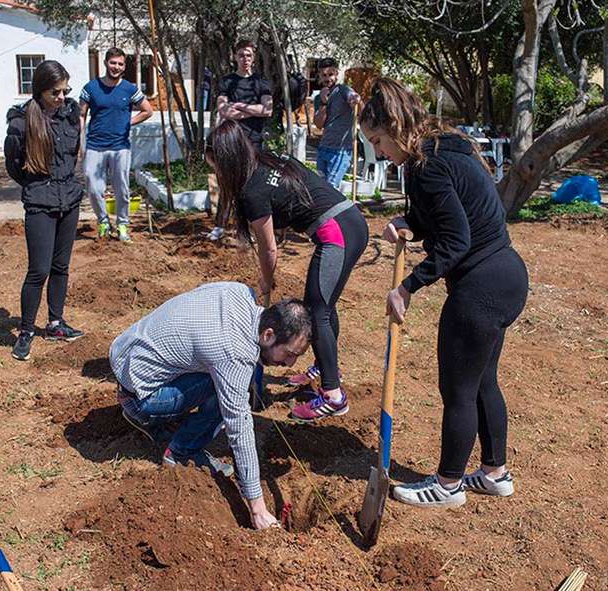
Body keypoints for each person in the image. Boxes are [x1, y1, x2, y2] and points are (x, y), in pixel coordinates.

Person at [358, 78, 529, 508]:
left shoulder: (428, 165)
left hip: (481, 286)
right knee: (481, 379)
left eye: (378, 141)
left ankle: (448, 484)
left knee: (457, 388)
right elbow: (446, 214)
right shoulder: (440, 147)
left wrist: (407, 287)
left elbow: (456, 240)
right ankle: (494, 473)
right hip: (506, 275)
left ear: (395, 127)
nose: (378, 152)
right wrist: (410, 220)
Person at [110, 282, 311, 530]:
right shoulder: (233, 354)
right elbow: (239, 426)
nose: (290, 364)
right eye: (289, 353)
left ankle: (159, 417)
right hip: (141, 394)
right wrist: (257, 509)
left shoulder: (238, 292)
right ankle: (180, 452)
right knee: (230, 389)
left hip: (126, 356)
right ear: (267, 335)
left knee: (227, 381)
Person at [205, 120, 369, 422]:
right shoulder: (266, 160)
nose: (216, 175)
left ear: (227, 162)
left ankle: (333, 395)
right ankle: (324, 367)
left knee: (316, 309)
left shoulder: (251, 190)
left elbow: (269, 249)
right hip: (349, 221)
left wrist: (265, 284)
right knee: (323, 303)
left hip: (337, 231)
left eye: (216, 168)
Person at [4, 60, 85, 361]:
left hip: (69, 199)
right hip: (40, 202)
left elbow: (73, 152)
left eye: (65, 90)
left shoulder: (70, 113)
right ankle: (25, 331)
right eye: (56, 92)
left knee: (60, 267)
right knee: (38, 270)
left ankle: (55, 322)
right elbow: (13, 165)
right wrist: (36, 185)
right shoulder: (22, 122)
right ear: (40, 91)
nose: (62, 97)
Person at [79, 47, 153, 241]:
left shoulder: (129, 89)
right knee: (93, 187)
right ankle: (103, 220)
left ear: (124, 66)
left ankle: (122, 225)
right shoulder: (91, 88)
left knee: (122, 188)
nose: (116, 67)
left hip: (120, 146)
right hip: (95, 145)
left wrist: (128, 122)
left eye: (120, 64)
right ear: (105, 63)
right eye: (113, 63)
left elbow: (147, 110)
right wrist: (80, 143)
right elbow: (81, 114)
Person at [216, 39, 273, 151]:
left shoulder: (262, 82)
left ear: (253, 58)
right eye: (241, 55)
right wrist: (255, 112)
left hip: (254, 140)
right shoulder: (226, 82)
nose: (245, 59)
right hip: (232, 139)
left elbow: (267, 110)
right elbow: (224, 111)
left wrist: (238, 106)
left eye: (248, 55)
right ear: (235, 57)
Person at [313, 58, 360, 188]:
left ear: (336, 73)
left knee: (331, 189)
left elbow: (352, 98)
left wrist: (354, 100)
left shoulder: (343, 90)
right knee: (320, 188)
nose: (328, 78)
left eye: (331, 74)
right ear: (319, 76)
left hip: (341, 150)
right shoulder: (318, 98)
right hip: (323, 148)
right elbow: (318, 124)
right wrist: (323, 102)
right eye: (324, 75)